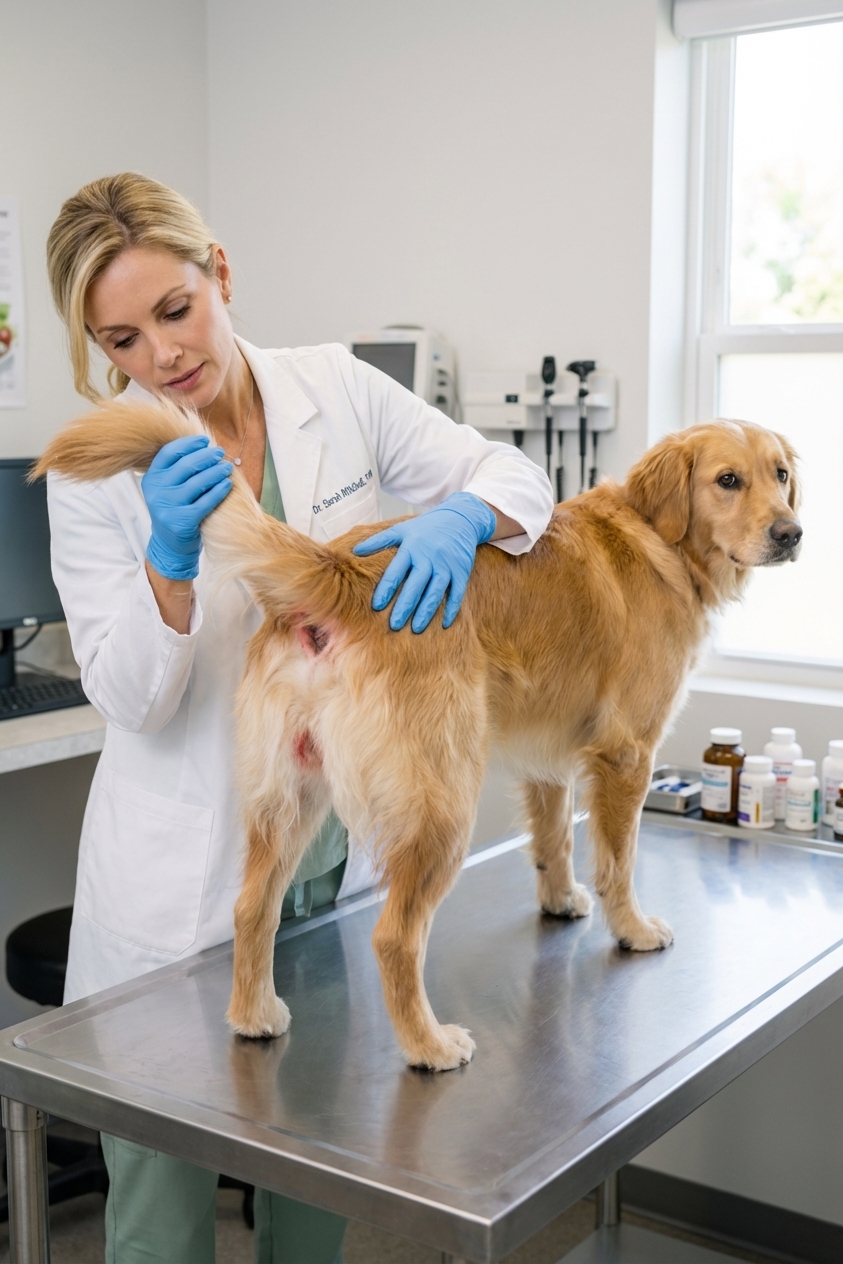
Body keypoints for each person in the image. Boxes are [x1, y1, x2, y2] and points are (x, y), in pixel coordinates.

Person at [45, 171, 554, 1264]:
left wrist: (463, 518)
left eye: (177, 311)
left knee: (317, 1191)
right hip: (182, 896)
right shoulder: (95, 474)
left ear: (220, 274)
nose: (163, 356)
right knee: (159, 1228)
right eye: (123, 340)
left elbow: (517, 472)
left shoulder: (338, 387)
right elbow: (128, 696)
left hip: (333, 879)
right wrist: (168, 565)